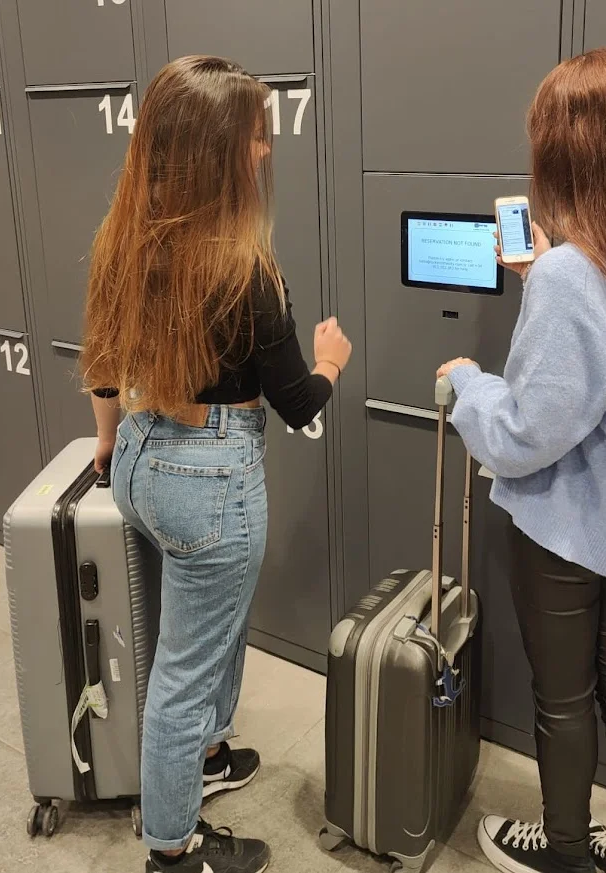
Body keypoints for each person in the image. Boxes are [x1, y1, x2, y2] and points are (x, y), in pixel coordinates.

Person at [82, 56, 352, 873]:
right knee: (185, 672)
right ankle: (173, 849)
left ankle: (203, 759)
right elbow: (299, 402)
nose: (267, 151)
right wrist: (331, 360)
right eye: (256, 137)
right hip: (212, 482)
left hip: (138, 461)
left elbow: (102, 361)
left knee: (197, 634)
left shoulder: (123, 241)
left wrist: (105, 442)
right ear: (214, 151)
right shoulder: (244, 267)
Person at [438, 47, 606, 873]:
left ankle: (561, 854)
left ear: (566, 149)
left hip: (563, 531)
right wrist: (540, 279)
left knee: (563, 702)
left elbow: (523, 433)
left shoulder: (568, 274)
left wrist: (467, 386)